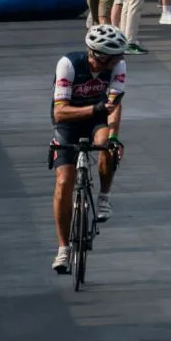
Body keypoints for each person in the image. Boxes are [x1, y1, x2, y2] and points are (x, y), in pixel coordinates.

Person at [50, 24, 128, 273]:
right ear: (99, 56)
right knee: (64, 182)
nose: (120, 60)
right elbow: (59, 112)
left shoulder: (118, 65)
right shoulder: (68, 65)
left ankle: (104, 197)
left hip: (97, 120)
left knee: (107, 145)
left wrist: (113, 136)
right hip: (68, 121)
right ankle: (63, 249)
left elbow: (114, 106)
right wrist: (95, 108)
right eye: (115, 57)